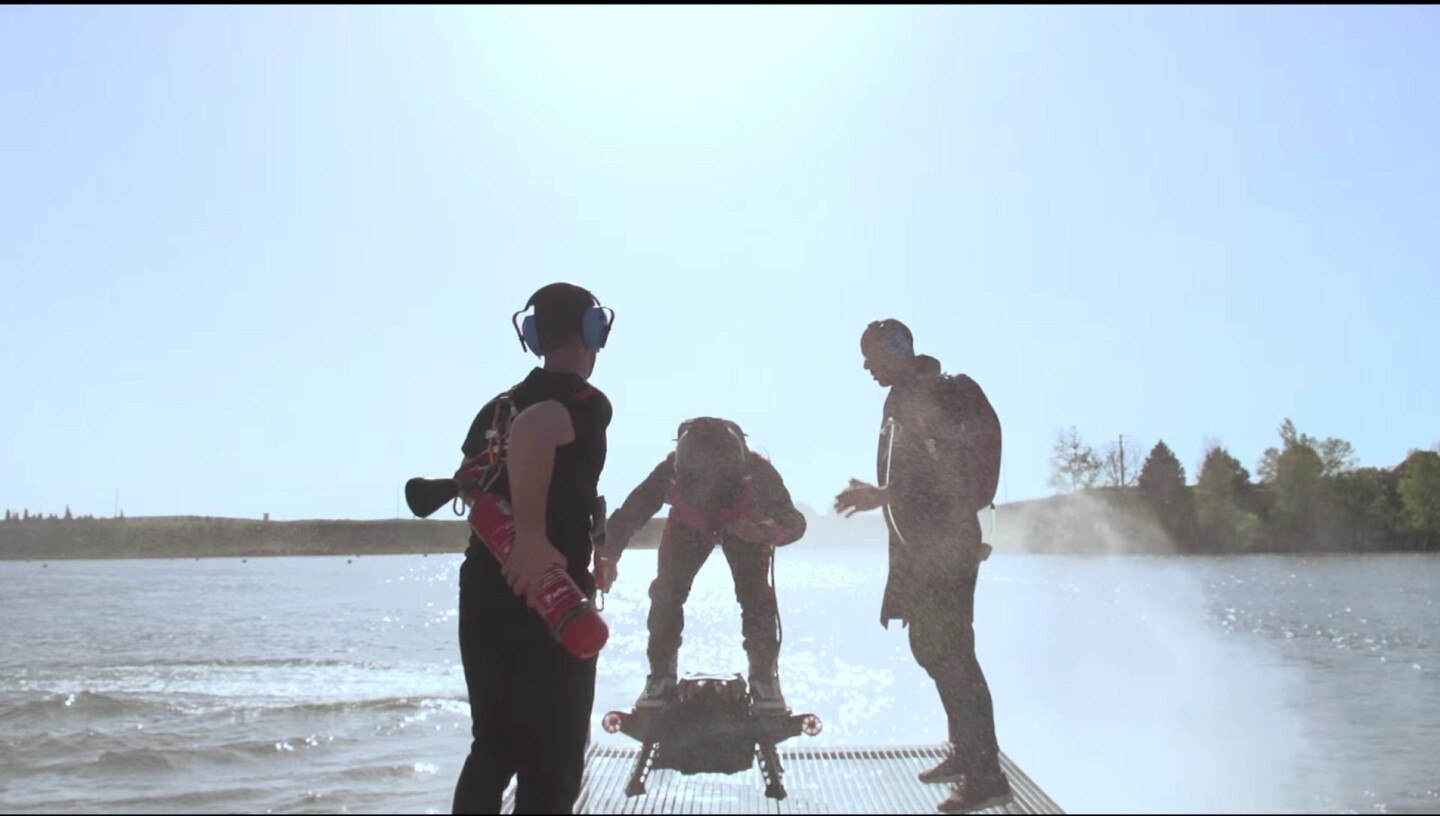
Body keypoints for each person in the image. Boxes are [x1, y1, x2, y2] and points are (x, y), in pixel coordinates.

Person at [833, 318, 1012, 815]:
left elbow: (950, 479)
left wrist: (882, 494)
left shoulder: (939, 396)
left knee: (952, 654)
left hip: (948, 544)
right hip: (919, 548)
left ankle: (986, 775)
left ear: (897, 349)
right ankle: (965, 752)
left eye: (872, 355)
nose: (866, 366)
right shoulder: (902, 400)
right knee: (932, 648)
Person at [450, 282, 616, 815]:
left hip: (485, 590)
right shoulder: (581, 401)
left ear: (533, 335)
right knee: (554, 762)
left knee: (493, 748)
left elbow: (474, 478)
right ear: (595, 330)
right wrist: (532, 534)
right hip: (549, 595)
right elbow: (536, 428)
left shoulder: (495, 407)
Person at [596, 416, 807, 708]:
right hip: (689, 526)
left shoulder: (759, 472)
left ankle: (763, 677)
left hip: (744, 527)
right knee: (666, 593)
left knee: (756, 596)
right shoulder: (667, 472)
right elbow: (629, 515)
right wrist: (608, 556)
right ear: (682, 473)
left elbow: (794, 523)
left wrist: (764, 532)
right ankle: (661, 676)